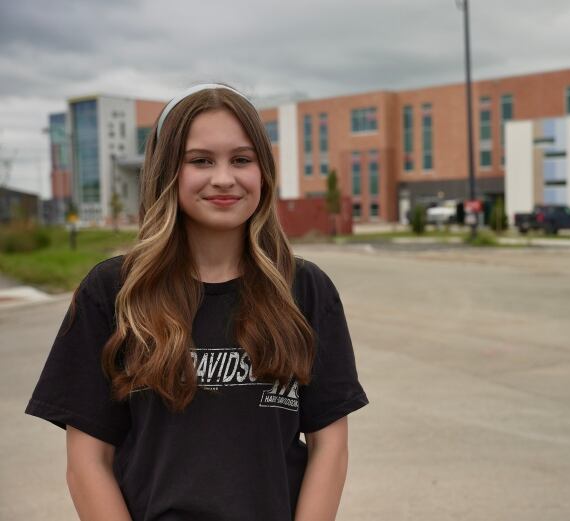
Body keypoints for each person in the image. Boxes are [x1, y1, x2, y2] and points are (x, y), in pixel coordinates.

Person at [25, 83, 369, 521]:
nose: (224, 178)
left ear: (263, 171)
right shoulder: (114, 292)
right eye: (201, 160)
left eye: (241, 160)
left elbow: (330, 447)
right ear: (168, 170)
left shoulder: (303, 289)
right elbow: (87, 461)